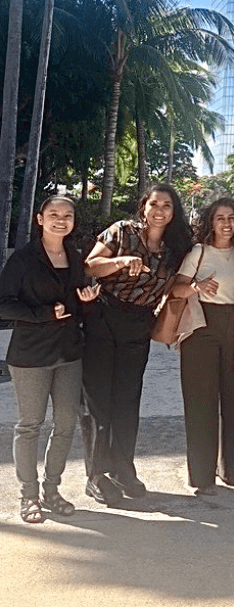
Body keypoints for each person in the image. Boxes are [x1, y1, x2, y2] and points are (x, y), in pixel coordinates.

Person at [81, 183, 193, 505]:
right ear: (143, 206)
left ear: (174, 212)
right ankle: (96, 475)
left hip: (139, 322)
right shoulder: (122, 232)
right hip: (103, 316)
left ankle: (122, 468)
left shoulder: (177, 247)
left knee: (127, 402)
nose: (159, 211)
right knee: (99, 401)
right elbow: (88, 266)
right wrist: (120, 261)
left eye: (167, 206)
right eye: (154, 204)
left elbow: (179, 282)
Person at [0, 197, 100, 523]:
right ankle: (28, 496)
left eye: (67, 216)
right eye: (54, 215)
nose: (61, 220)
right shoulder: (24, 259)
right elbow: (4, 304)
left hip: (69, 353)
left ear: (73, 221)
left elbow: (76, 305)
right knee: (30, 425)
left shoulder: (75, 256)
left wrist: (87, 301)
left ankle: (52, 490)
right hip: (30, 355)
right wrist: (44, 314)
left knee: (66, 424)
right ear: (40, 219)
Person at [172, 198, 234, 496]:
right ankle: (202, 477)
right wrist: (196, 286)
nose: (226, 223)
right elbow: (176, 289)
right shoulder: (198, 252)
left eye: (231, 218)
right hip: (201, 329)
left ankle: (231, 469)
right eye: (220, 218)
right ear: (210, 222)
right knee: (201, 404)